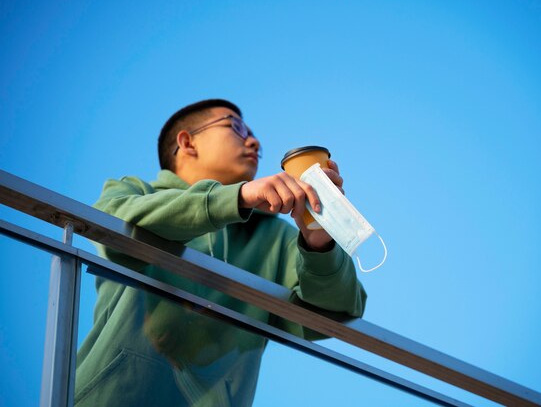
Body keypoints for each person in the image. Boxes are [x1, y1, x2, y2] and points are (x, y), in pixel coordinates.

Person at [74, 99, 367, 406]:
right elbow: (112, 227)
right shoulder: (135, 192)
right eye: (236, 128)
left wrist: (318, 235)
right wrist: (237, 198)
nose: (254, 141)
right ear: (187, 142)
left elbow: (338, 312)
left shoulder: (273, 236)